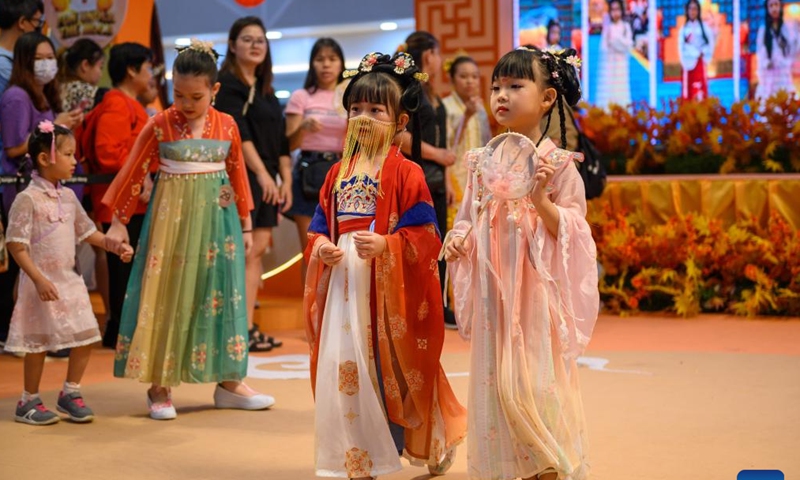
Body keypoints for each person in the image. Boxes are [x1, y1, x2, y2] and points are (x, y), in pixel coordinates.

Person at [303, 51, 467, 479]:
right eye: (356, 108)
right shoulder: (336, 173)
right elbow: (318, 225)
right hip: (344, 284)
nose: (364, 117)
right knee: (346, 365)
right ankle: (361, 454)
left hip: (384, 287)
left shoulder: (407, 173)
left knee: (391, 364)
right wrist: (322, 247)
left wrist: (389, 244)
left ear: (400, 122)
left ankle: (428, 439)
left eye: (376, 110)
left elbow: (425, 234)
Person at [445, 47, 599, 480]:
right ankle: (505, 465)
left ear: (547, 98)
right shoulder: (481, 162)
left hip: (534, 296)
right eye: (496, 87)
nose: (501, 95)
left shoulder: (558, 164)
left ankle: (547, 461)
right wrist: (458, 240)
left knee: (533, 377)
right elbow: (468, 218)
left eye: (515, 86)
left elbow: (574, 231)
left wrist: (540, 200)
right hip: (494, 294)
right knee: (495, 379)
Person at [103, 39, 275, 420]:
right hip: (172, 224)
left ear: (214, 90)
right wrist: (118, 222)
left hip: (219, 222)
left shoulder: (227, 125)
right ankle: (159, 386)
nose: (185, 103)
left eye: (196, 96)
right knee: (167, 293)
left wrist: (246, 226)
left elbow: (237, 175)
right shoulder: (160, 123)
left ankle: (229, 382)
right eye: (178, 94)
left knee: (221, 293)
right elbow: (133, 170)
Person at [4, 120, 132, 425]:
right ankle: (28, 400)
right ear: (45, 158)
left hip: (69, 280)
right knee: (38, 344)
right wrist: (38, 279)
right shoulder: (27, 199)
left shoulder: (69, 197)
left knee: (86, 334)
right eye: (68, 154)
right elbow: (16, 246)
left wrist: (114, 246)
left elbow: (88, 232)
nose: (75, 161)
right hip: (41, 283)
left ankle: (70, 392)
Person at [0, 32, 82, 352]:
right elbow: (14, 147)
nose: (48, 64)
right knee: (29, 263)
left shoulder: (44, 95)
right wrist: (54, 126)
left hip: (47, 188)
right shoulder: (17, 97)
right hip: (22, 188)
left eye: (51, 57)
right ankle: (25, 335)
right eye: (40, 58)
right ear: (25, 61)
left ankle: (45, 334)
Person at [215, 16, 291, 353]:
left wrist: (284, 178)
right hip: (242, 177)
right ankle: (235, 329)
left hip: (268, 178)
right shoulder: (228, 85)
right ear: (232, 45)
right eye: (247, 39)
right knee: (241, 251)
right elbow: (239, 134)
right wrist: (261, 174)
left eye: (260, 40)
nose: (255, 45)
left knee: (256, 251)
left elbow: (282, 140)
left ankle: (245, 327)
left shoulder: (265, 89)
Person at [84, 42, 154, 348]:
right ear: (131, 70)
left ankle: (122, 331)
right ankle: (119, 332)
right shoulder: (117, 103)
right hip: (122, 203)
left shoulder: (127, 103)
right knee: (123, 268)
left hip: (132, 201)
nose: (151, 74)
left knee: (127, 267)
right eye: (148, 67)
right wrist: (142, 173)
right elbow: (108, 152)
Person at [401, 30, 459, 328]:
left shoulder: (431, 91)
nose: (440, 59)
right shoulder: (409, 88)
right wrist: (437, 155)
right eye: (438, 53)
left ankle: (438, 304)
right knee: (417, 246)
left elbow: (442, 141)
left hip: (436, 179)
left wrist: (447, 179)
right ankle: (418, 307)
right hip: (417, 177)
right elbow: (400, 136)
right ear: (428, 55)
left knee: (439, 244)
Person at [284, 37, 347, 263]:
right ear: (312, 64)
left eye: (332, 59)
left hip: (342, 173)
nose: (326, 64)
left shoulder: (350, 97)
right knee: (311, 252)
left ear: (341, 63)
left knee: (342, 248)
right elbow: (288, 145)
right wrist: (303, 127)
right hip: (307, 175)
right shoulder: (301, 96)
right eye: (320, 59)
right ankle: (310, 290)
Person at [441, 53, 491, 223]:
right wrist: (467, 116)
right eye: (463, 76)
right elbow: (446, 145)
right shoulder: (445, 107)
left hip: (479, 174)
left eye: (474, 76)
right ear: (452, 79)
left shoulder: (480, 107)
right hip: (456, 173)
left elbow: (487, 143)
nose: (470, 81)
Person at [755, 0, 799, 99]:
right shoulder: (763, 31)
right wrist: (767, 63)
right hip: (769, 79)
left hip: (784, 76)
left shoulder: (787, 29)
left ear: (780, 7)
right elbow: (760, 55)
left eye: (776, 5)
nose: (774, 8)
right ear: (767, 9)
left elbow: (794, 50)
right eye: (771, 6)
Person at [0, 0, 44, 94]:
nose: (39, 28)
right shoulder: (5, 68)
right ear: (22, 22)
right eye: (37, 21)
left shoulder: (16, 60)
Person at [595, 0, 633, 108]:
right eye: (613, 10)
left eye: (617, 9)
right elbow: (603, 47)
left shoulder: (625, 26)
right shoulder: (608, 28)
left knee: (621, 90)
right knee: (609, 90)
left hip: (622, 65)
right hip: (610, 65)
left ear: (622, 10)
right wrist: (614, 42)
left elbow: (628, 45)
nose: (615, 13)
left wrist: (615, 41)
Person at [679, 0, 715, 101]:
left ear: (698, 11)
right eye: (690, 9)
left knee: (700, 91)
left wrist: (702, 53)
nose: (692, 12)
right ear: (687, 11)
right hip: (687, 65)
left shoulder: (704, 28)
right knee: (688, 92)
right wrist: (694, 53)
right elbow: (682, 48)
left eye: (694, 9)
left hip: (700, 64)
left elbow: (710, 43)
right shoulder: (684, 29)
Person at [58, 38, 105, 113]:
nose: (101, 74)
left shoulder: (57, 88)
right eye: (100, 67)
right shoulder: (91, 94)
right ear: (85, 65)